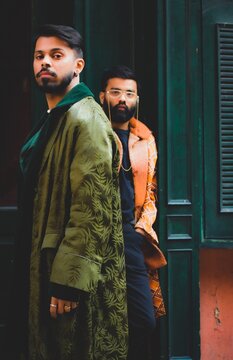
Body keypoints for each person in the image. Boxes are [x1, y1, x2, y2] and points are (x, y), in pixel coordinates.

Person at [6, 25, 128, 360]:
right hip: (44, 259)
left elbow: (92, 206)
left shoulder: (85, 118)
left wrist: (69, 282)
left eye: (56, 56)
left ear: (78, 65)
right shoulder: (56, 116)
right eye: (39, 56)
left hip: (67, 275)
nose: (45, 63)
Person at [99, 65, 167, 360]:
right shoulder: (94, 133)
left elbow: (151, 191)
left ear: (137, 99)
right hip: (98, 234)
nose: (122, 99)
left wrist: (143, 226)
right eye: (115, 92)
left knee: (143, 319)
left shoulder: (145, 139)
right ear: (103, 97)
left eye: (129, 93)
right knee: (99, 315)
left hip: (131, 236)